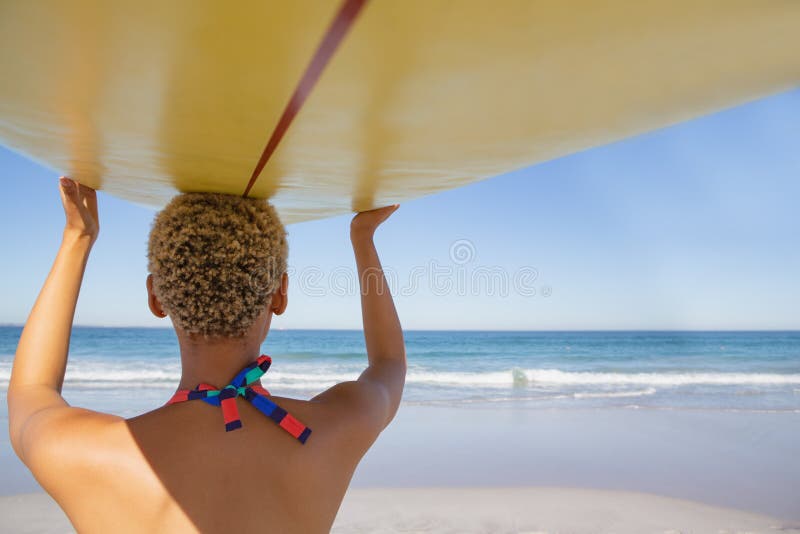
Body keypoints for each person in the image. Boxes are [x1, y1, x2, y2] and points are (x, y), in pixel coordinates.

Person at [7, 177, 406, 533]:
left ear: (155, 297)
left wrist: (77, 237)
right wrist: (363, 238)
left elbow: (30, 391)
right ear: (280, 294)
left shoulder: (95, 457)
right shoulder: (329, 433)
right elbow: (389, 363)